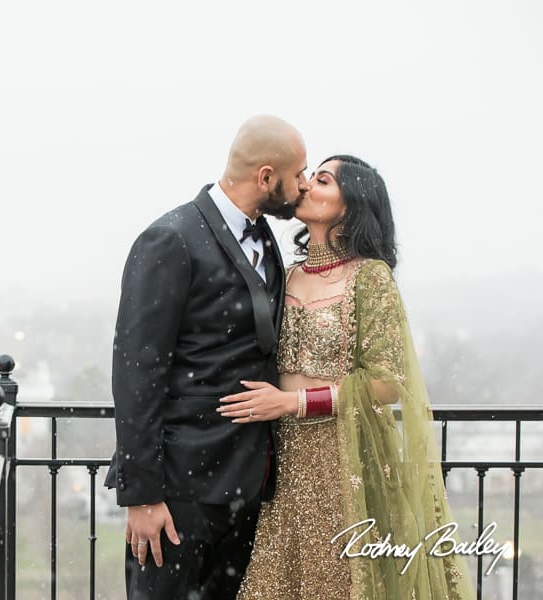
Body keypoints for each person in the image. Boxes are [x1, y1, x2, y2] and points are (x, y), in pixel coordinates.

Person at [217, 155, 475, 599]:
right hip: (281, 466)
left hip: (344, 463)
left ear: (352, 203)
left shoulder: (370, 278)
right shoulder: (288, 273)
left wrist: (291, 403)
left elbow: (388, 382)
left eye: (321, 180)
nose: (304, 187)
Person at [105, 115, 311, 599]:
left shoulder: (266, 240)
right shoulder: (171, 238)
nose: (302, 185)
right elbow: (137, 373)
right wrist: (144, 495)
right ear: (266, 177)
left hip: (244, 488)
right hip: (178, 493)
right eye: (297, 174)